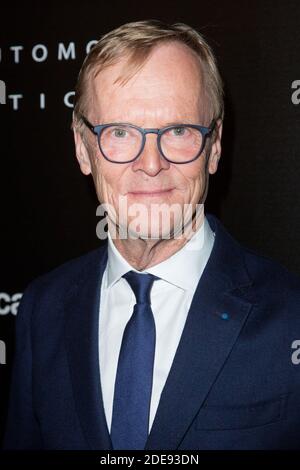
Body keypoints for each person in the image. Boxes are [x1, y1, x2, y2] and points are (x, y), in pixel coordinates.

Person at [3, 19, 300, 451]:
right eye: (119, 133)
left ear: (214, 145)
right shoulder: (42, 309)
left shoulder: (291, 317)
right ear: (83, 148)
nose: (151, 163)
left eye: (178, 131)